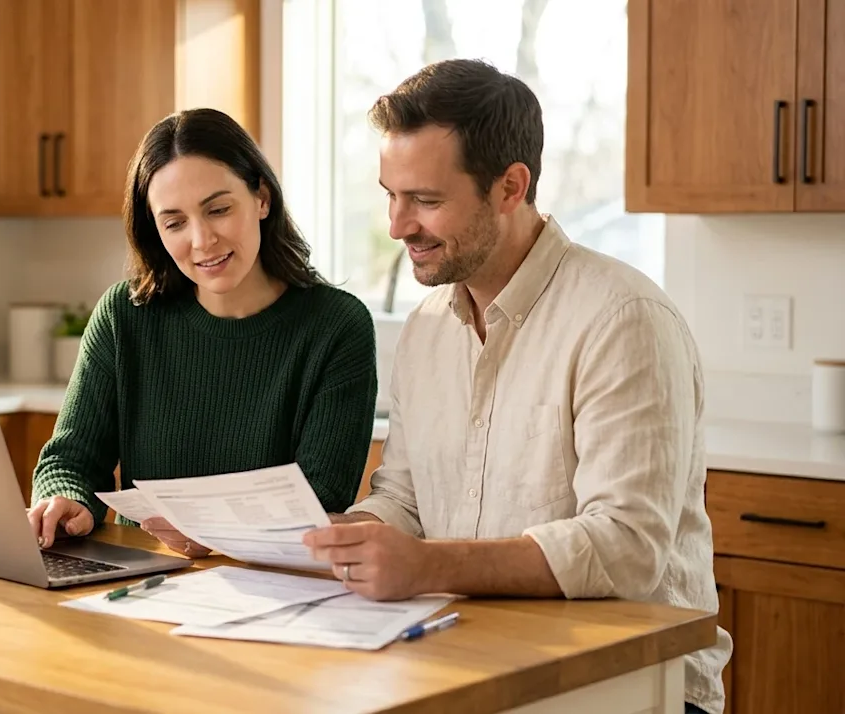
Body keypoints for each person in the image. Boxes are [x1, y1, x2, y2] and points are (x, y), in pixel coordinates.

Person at [301, 60, 731, 714]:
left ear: (510, 186)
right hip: (476, 660)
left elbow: (626, 548)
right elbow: (405, 499)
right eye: (390, 194)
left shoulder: (623, 321)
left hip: (635, 685)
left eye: (425, 200)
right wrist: (341, 539)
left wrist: (425, 565)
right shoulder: (427, 327)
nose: (396, 225)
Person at [28, 107, 378, 558]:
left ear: (262, 199)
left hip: (275, 588)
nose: (201, 240)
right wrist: (65, 499)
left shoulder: (336, 326)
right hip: (142, 581)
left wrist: (217, 535)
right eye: (175, 222)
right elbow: (71, 460)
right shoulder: (124, 315)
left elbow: (322, 496)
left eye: (218, 209)